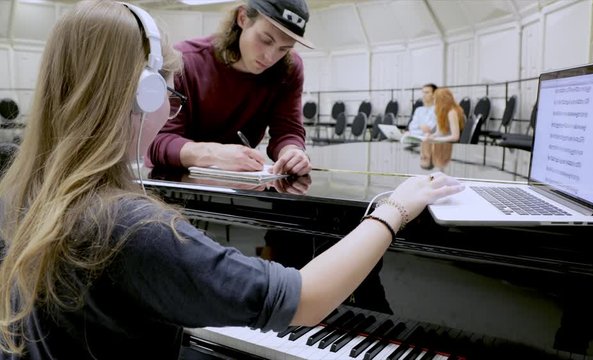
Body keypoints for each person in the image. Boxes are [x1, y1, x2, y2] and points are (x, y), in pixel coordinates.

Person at [0, 1, 464, 359]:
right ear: (144, 93)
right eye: (169, 88)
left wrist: (291, 149)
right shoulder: (132, 226)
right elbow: (305, 299)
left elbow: (288, 129)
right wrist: (395, 208)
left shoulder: (17, 189)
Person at [147, 0, 314, 177]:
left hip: (242, 184)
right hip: (177, 182)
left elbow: (287, 131)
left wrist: (292, 153)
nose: (270, 57)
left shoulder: (289, 68)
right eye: (265, 40)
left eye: (284, 49)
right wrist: (215, 154)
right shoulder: (184, 61)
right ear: (242, 18)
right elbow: (158, 142)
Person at [420, 88, 465, 170]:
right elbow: (439, 132)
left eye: (435, 99)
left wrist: (437, 139)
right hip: (443, 144)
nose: (434, 102)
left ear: (442, 100)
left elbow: (455, 137)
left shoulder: (452, 112)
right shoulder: (441, 112)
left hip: (449, 146)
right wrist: (431, 136)